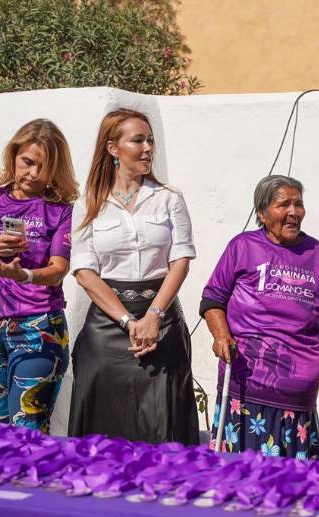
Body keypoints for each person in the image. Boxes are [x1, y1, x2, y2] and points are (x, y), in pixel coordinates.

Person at [69, 108, 199, 444]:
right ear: (113, 148)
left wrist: (153, 316)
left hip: (162, 321)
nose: (147, 148)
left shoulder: (169, 198)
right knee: (103, 422)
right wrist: (130, 322)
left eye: (150, 140)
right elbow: (84, 272)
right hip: (108, 325)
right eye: (137, 140)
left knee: (163, 419)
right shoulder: (88, 204)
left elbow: (181, 260)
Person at [200, 175, 319, 458]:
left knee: (291, 483)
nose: (294, 212)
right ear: (262, 214)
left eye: (299, 204)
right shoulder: (242, 247)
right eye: (284, 205)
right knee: (238, 475)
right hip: (245, 384)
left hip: (298, 392)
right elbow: (212, 300)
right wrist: (221, 336)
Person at [0, 119, 77, 432]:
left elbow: (58, 271)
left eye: (44, 166)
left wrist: (21, 274)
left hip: (38, 328)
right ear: (14, 156)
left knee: (28, 430)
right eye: (27, 162)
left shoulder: (59, 209)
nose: (33, 174)